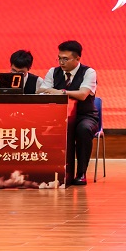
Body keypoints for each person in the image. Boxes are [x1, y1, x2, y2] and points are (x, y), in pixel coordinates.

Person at [38, 40, 99, 186]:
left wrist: (61, 92)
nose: (61, 62)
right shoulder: (53, 72)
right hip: (58, 116)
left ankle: (81, 173)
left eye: (65, 59)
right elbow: (42, 91)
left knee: (83, 129)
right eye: (59, 58)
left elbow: (82, 94)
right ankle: (50, 172)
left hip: (84, 116)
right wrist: (51, 91)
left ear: (77, 58)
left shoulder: (89, 72)